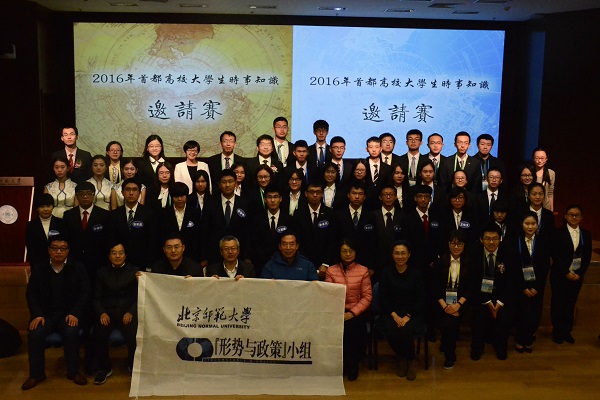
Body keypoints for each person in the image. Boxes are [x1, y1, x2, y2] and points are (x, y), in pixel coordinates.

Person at [22, 235, 90, 390]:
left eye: (63, 248)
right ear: (48, 250)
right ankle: (36, 374)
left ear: (68, 251)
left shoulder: (77, 267)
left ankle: (73, 372)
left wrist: (75, 313)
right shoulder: (39, 268)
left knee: (71, 332)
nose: (59, 252)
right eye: (55, 248)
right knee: (35, 334)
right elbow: (31, 294)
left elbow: (85, 292)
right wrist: (37, 314)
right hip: (45, 315)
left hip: (69, 314)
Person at [325, 239, 372, 381]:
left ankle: (353, 365)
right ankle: (340, 364)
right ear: (339, 253)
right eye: (344, 251)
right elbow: (328, 295)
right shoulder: (331, 270)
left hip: (356, 311)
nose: (347, 254)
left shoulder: (363, 270)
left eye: (350, 251)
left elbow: (367, 297)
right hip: (336, 310)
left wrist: (352, 313)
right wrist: (338, 312)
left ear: (355, 252)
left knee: (353, 329)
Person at [91, 243, 138, 384]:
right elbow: (96, 297)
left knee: (134, 336)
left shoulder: (134, 271)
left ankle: (132, 365)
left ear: (125, 255)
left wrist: (130, 312)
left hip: (127, 313)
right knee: (98, 334)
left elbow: (138, 296)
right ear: (109, 256)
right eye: (114, 253)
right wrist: (102, 313)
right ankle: (104, 368)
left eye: (121, 252)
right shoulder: (101, 272)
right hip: (108, 313)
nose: (118, 256)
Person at [379, 240, 425, 381]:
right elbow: (383, 298)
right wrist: (395, 316)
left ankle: (409, 360)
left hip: (412, 314)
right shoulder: (386, 273)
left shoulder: (416, 274)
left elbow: (420, 299)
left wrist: (407, 317)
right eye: (397, 253)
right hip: (391, 313)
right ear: (392, 255)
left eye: (403, 253)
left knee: (406, 330)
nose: (400, 256)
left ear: (409, 254)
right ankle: (402, 357)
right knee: (391, 331)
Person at [470, 224, 514, 361]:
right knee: (478, 316)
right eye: (487, 238)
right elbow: (473, 282)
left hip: (501, 297)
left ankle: (501, 347)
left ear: (500, 239)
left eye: (494, 238)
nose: (491, 242)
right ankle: (477, 347)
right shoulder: (474, 254)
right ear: (481, 239)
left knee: (504, 318)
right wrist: (487, 301)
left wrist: (499, 303)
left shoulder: (508, 253)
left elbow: (511, 281)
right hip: (481, 296)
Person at [550, 205, 592, 344]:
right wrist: (566, 272)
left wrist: (579, 273)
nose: (574, 217)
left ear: (581, 217)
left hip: (577, 277)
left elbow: (587, 257)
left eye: (577, 215)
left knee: (570, 304)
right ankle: (557, 332)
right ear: (565, 216)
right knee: (558, 303)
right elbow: (555, 255)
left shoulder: (586, 234)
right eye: (571, 214)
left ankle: (567, 331)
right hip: (560, 275)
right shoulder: (557, 233)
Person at [513, 212, 551, 354]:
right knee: (522, 313)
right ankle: (520, 339)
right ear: (522, 225)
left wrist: (537, 287)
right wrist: (523, 287)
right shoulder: (516, 241)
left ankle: (529, 339)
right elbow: (514, 267)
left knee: (534, 315)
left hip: (537, 286)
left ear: (537, 225)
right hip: (521, 286)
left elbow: (545, 267)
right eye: (527, 224)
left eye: (533, 224)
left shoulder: (543, 241)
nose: (530, 227)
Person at [435, 231, 471, 369]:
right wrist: (445, 306)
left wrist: (458, 305)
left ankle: (449, 353)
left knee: (450, 323)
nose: (456, 247)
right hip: (442, 303)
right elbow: (434, 288)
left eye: (459, 244)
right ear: (448, 244)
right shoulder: (440, 262)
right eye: (453, 243)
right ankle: (448, 350)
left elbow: (471, 287)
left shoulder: (470, 262)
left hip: (463, 302)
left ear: (464, 245)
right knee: (448, 322)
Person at [62, 181, 110, 282]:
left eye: (88, 193)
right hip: (74, 261)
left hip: (97, 261)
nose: (85, 196)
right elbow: (65, 239)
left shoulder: (104, 215)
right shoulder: (68, 215)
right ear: (76, 196)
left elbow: (107, 240)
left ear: (94, 195)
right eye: (81, 194)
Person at [108, 178, 159, 269]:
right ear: (122, 192)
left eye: (135, 190)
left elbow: (152, 241)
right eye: (127, 190)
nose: (131, 193)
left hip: (142, 262)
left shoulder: (149, 214)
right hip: (120, 263)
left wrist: (149, 265)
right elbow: (111, 240)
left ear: (139, 193)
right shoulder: (114, 215)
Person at [202, 170, 250, 265]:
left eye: (230, 181)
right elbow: (204, 230)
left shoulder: (244, 202)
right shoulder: (210, 203)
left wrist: (247, 255)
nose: (227, 185)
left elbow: (248, 231)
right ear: (219, 185)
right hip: (215, 253)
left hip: (238, 254)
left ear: (235, 183)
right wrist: (204, 257)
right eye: (224, 182)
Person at [248, 185, 295, 277]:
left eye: (275, 197)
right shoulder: (256, 219)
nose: (272, 200)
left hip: (283, 263)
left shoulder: (289, 220)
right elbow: (252, 241)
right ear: (265, 199)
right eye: (269, 197)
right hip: (260, 263)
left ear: (280, 199)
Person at [294, 181, 338, 279]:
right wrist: (305, 263)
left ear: (322, 194)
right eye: (311, 192)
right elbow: (297, 241)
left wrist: (325, 264)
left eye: (318, 192)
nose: (315, 195)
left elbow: (332, 241)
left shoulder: (330, 214)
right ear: (306, 194)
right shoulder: (298, 214)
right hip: (303, 263)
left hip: (324, 265)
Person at [334, 181, 376, 276]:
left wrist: (371, 265)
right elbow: (334, 240)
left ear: (364, 196)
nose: (357, 197)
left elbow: (373, 242)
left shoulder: (371, 216)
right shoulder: (338, 215)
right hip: (342, 262)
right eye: (354, 193)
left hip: (364, 262)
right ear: (348, 195)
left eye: (360, 194)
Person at [159, 182, 203, 262]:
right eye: (176, 196)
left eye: (182, 196)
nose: (179, 199)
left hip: (191, 255)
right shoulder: (164, 213)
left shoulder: (195, 212)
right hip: (170, 256)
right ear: (172, 197)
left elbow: (199, 235)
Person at [372, 185, 403, 280]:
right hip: (376, 263)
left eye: (391, 194)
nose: (388, 197)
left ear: (396, 197)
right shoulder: (372, 216)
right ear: (380, 197)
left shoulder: (402, 216)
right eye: (385, 194)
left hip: (398, 263)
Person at [25, 193, 66, 265]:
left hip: (58, 262)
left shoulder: (61, 223)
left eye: (48, 206)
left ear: (53, 207)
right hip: (38, 262)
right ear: (37, 208)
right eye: (42, 206)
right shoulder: (31, 225)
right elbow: (30, 247)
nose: (45, 209)